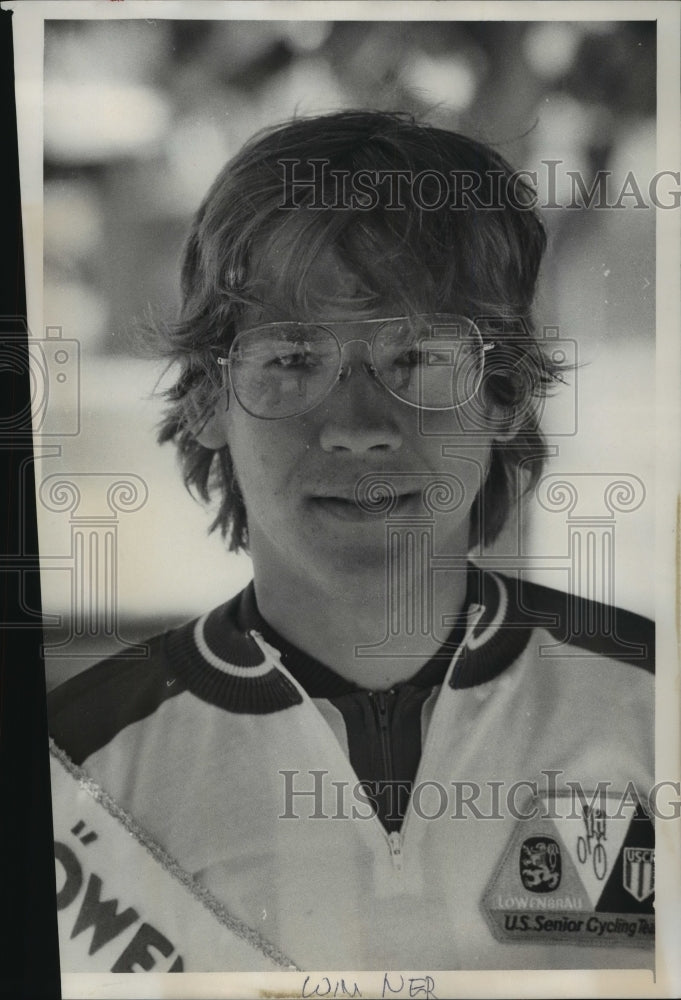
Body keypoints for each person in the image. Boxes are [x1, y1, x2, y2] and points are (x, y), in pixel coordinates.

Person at [48, 110, 654, 973]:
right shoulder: (71, 767)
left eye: (418, 360)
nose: (360, 427)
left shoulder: (649, 709)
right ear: (207, 403)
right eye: (293, 360)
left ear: (506, 393)